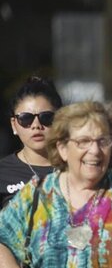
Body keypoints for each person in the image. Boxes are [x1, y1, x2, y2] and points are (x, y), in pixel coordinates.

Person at [0, 101, 112, 268]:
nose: (95, 151)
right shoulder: (36, 195)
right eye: (84, 141)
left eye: (103, 141)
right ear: (62, 148)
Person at [0, 76, 63, 208]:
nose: (36, 125)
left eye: (46, 117)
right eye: (25, 118)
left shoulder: (77, 168)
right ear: (14, 125)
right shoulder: (3, 172)